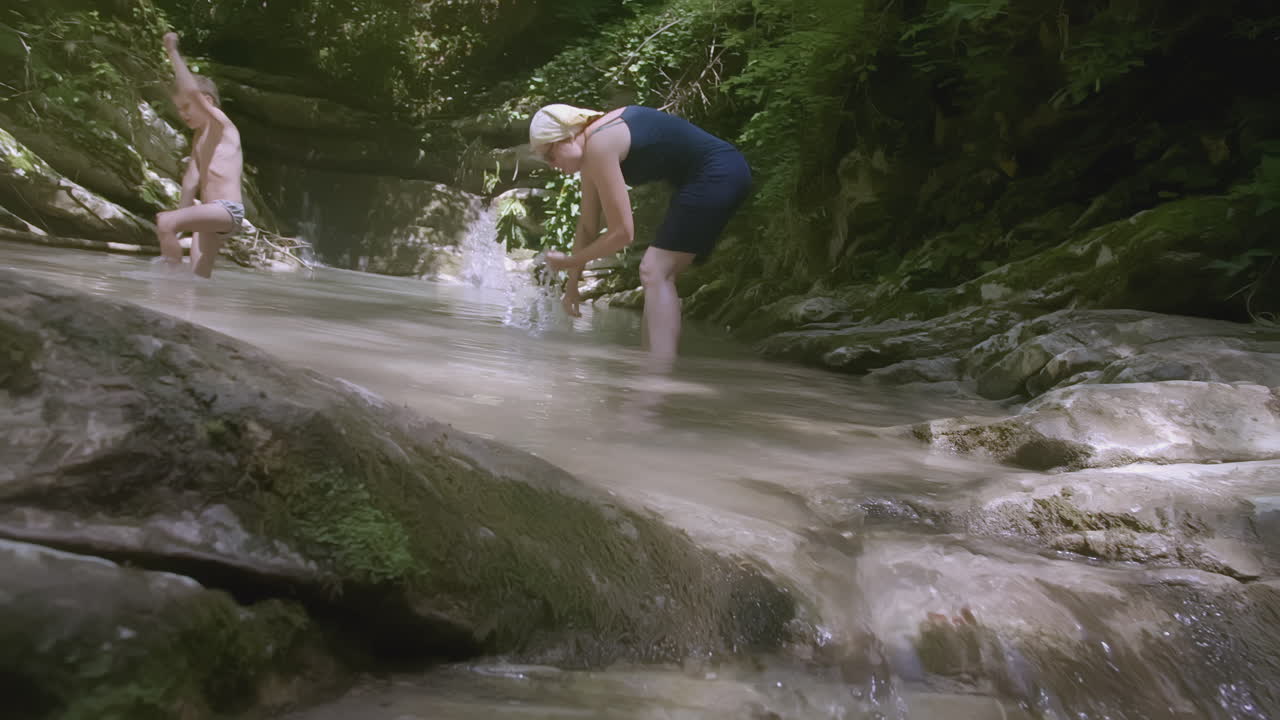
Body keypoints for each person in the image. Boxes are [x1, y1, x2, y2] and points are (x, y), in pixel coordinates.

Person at [530, 104, 751, 366]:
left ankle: (657, 374)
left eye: (550, 156)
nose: (551, 165)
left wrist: (568, 262)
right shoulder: (592, 149)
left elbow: (623, 233)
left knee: (654, 270)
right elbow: (588, 226)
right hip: (713, 174)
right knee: (657, 273)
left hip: (718, 173)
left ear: (567, 137)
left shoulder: (600, 143)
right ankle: (655, 363)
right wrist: (572, 286)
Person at [155, 31, 244, 279]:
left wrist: (172, 52)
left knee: (164, 221)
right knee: (197, 278)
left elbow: (192, 92)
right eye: (179, 109)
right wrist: (180, 224)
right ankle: (188, 310)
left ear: (207, 101)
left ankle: (165, 283)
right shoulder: (199, 137)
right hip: (211, 214)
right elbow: (190, 181)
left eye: (186, 107)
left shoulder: (222, 126)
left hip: (227, 211)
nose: (183, 114)